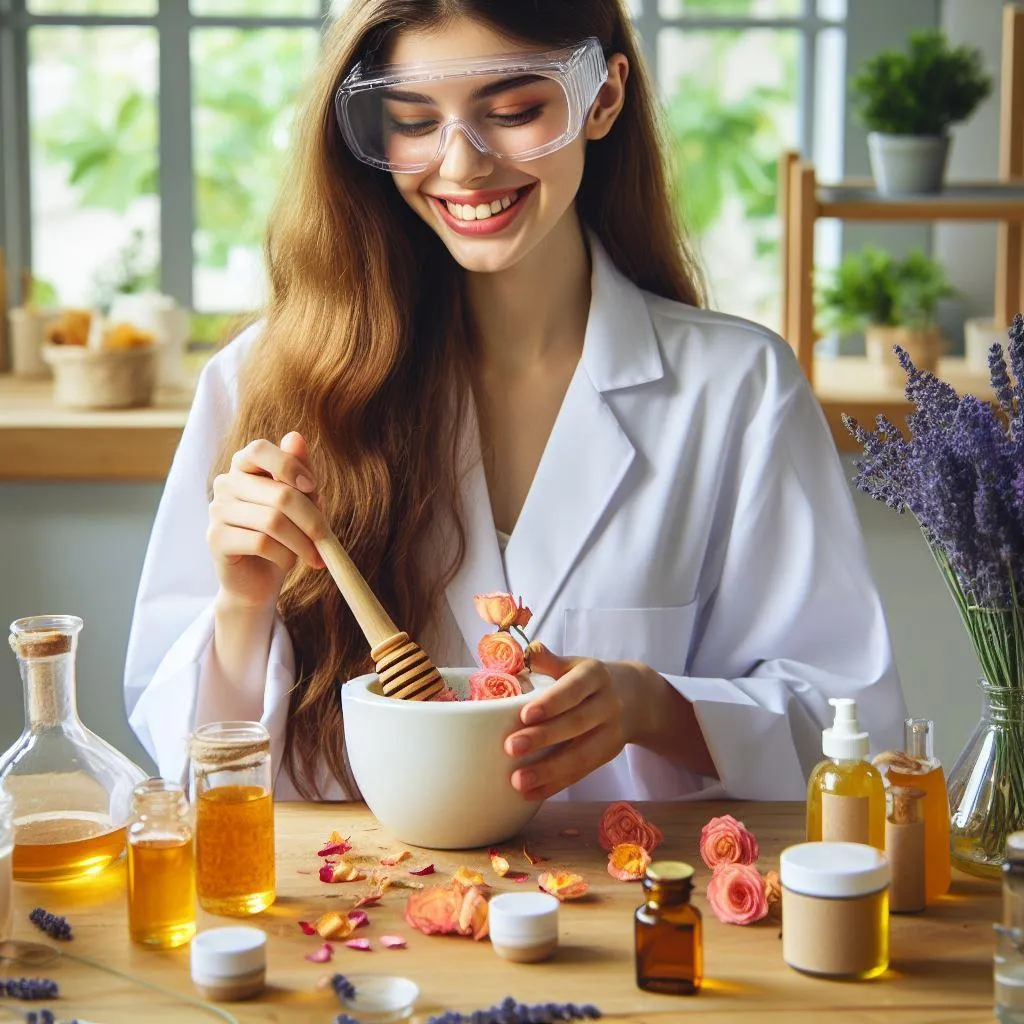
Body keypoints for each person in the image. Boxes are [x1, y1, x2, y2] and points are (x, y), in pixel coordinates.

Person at [124, 0, 906, 803]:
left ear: (602, 98)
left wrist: (652, 705)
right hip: (367, 916)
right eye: (412, 120)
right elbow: (189, 775)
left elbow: (852, 731)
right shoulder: (263, 379)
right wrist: (242, 605)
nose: (461, 166)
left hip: (635, 915)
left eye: (513, 111)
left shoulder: (739, 389)